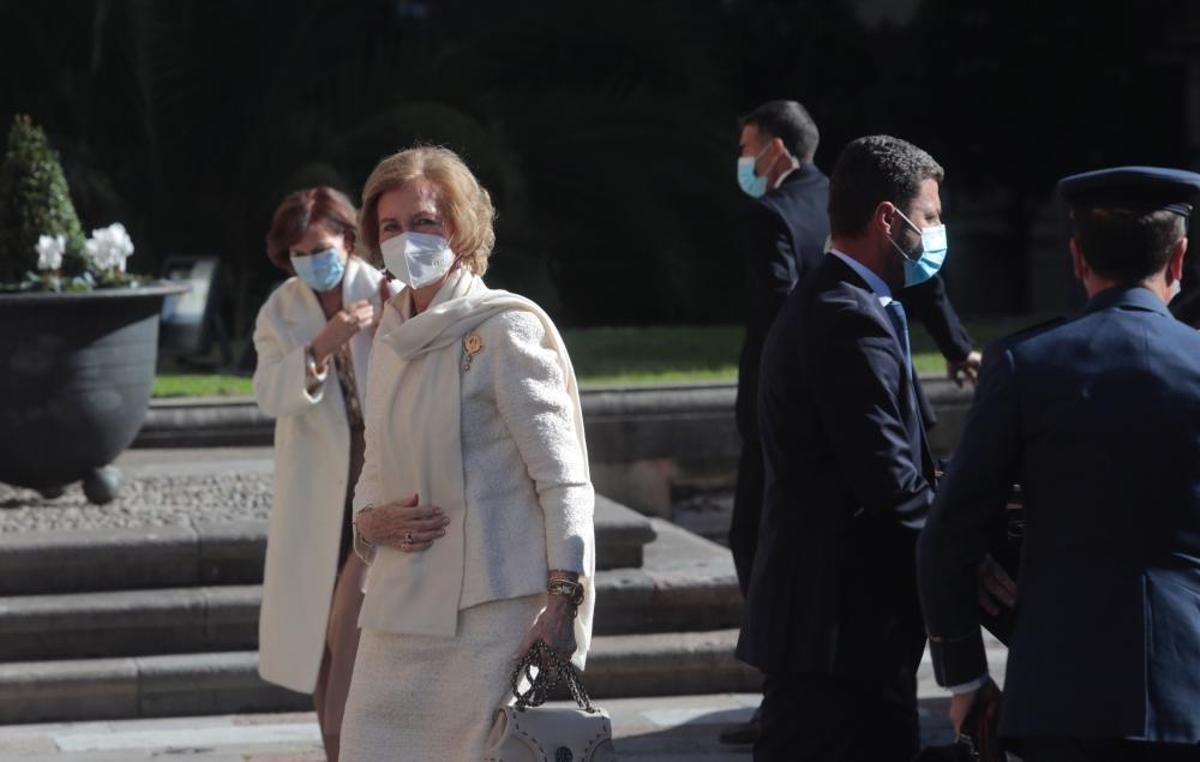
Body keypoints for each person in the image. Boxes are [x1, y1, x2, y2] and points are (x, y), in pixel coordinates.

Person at [918, 166, 1200, 761]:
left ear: (1076, 258)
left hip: (1061, 691)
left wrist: (965, 677)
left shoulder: (1025, 363)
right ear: (1179, 259)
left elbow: (949, 534)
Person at [339, 146, 595, 761]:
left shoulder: (504, 328)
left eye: (424, 221)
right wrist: (368, 521)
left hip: (494, 615)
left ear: (461, 228)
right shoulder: (390, 337)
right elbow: (376, 462)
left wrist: (564, 600)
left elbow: (562, 480)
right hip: (398, 608)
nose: (405, 239)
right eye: (390, 226)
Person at [736, 135, 951, 761]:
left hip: (836, 632)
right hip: (837, 634)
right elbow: (888, 482)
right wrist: (963, 552)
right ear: (888, 218)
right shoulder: (845, 316)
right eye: (930, 216)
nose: (938, 233)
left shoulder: (846, 302)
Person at [729, 102, 979, 598]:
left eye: (747, 149)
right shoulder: (847, 200)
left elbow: (777, 309)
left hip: (798, 396)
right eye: (930, 217)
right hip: (872, 385)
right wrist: (957, 346)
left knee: (759, 531)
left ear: (775, 149)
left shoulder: (778, 214)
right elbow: (923, 280)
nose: (742, 161)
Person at [252, 186, 399, 761]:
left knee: (354, 620)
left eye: (320, 249)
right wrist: (319, 347)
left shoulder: (386, 290)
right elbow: (268, 393)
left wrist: (385, 328)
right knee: (322, 636)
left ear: (347, 239)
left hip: (382, 472)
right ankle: (337, 748)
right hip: (317, 485)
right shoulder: (281, 310)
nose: (311, 261)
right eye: (298, 253)